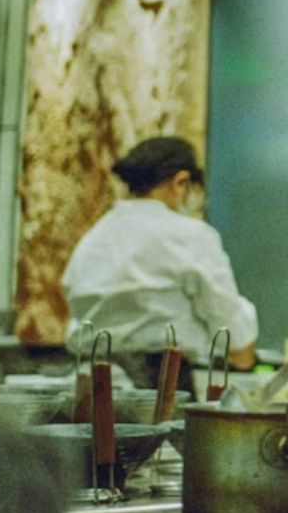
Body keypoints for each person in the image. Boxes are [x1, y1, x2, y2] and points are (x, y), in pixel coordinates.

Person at [63, 136, 258, 388]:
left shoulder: (94, 238)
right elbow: (231, 331)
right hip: (162, 385)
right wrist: (242, 350)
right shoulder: (190, 235)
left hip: (90, 385)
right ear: (181, 183)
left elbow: (73, 308)